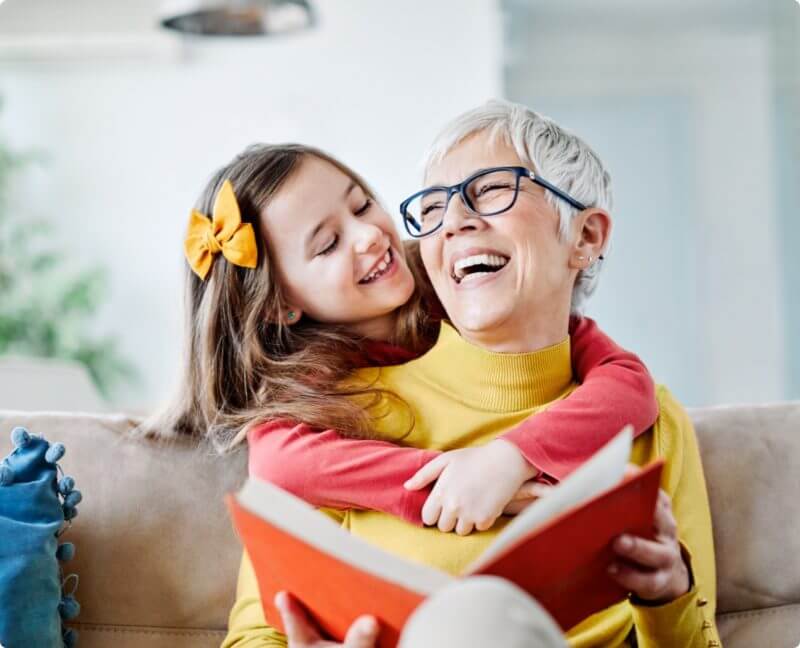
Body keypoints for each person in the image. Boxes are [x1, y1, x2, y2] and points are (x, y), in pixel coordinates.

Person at [173, 101, 718, 645]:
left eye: (491, 191)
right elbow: (254, 633)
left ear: (587, 237)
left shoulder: (647, 418)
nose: (455, 221)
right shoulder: (331, 419)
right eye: (435, 207)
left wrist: (668, 593)